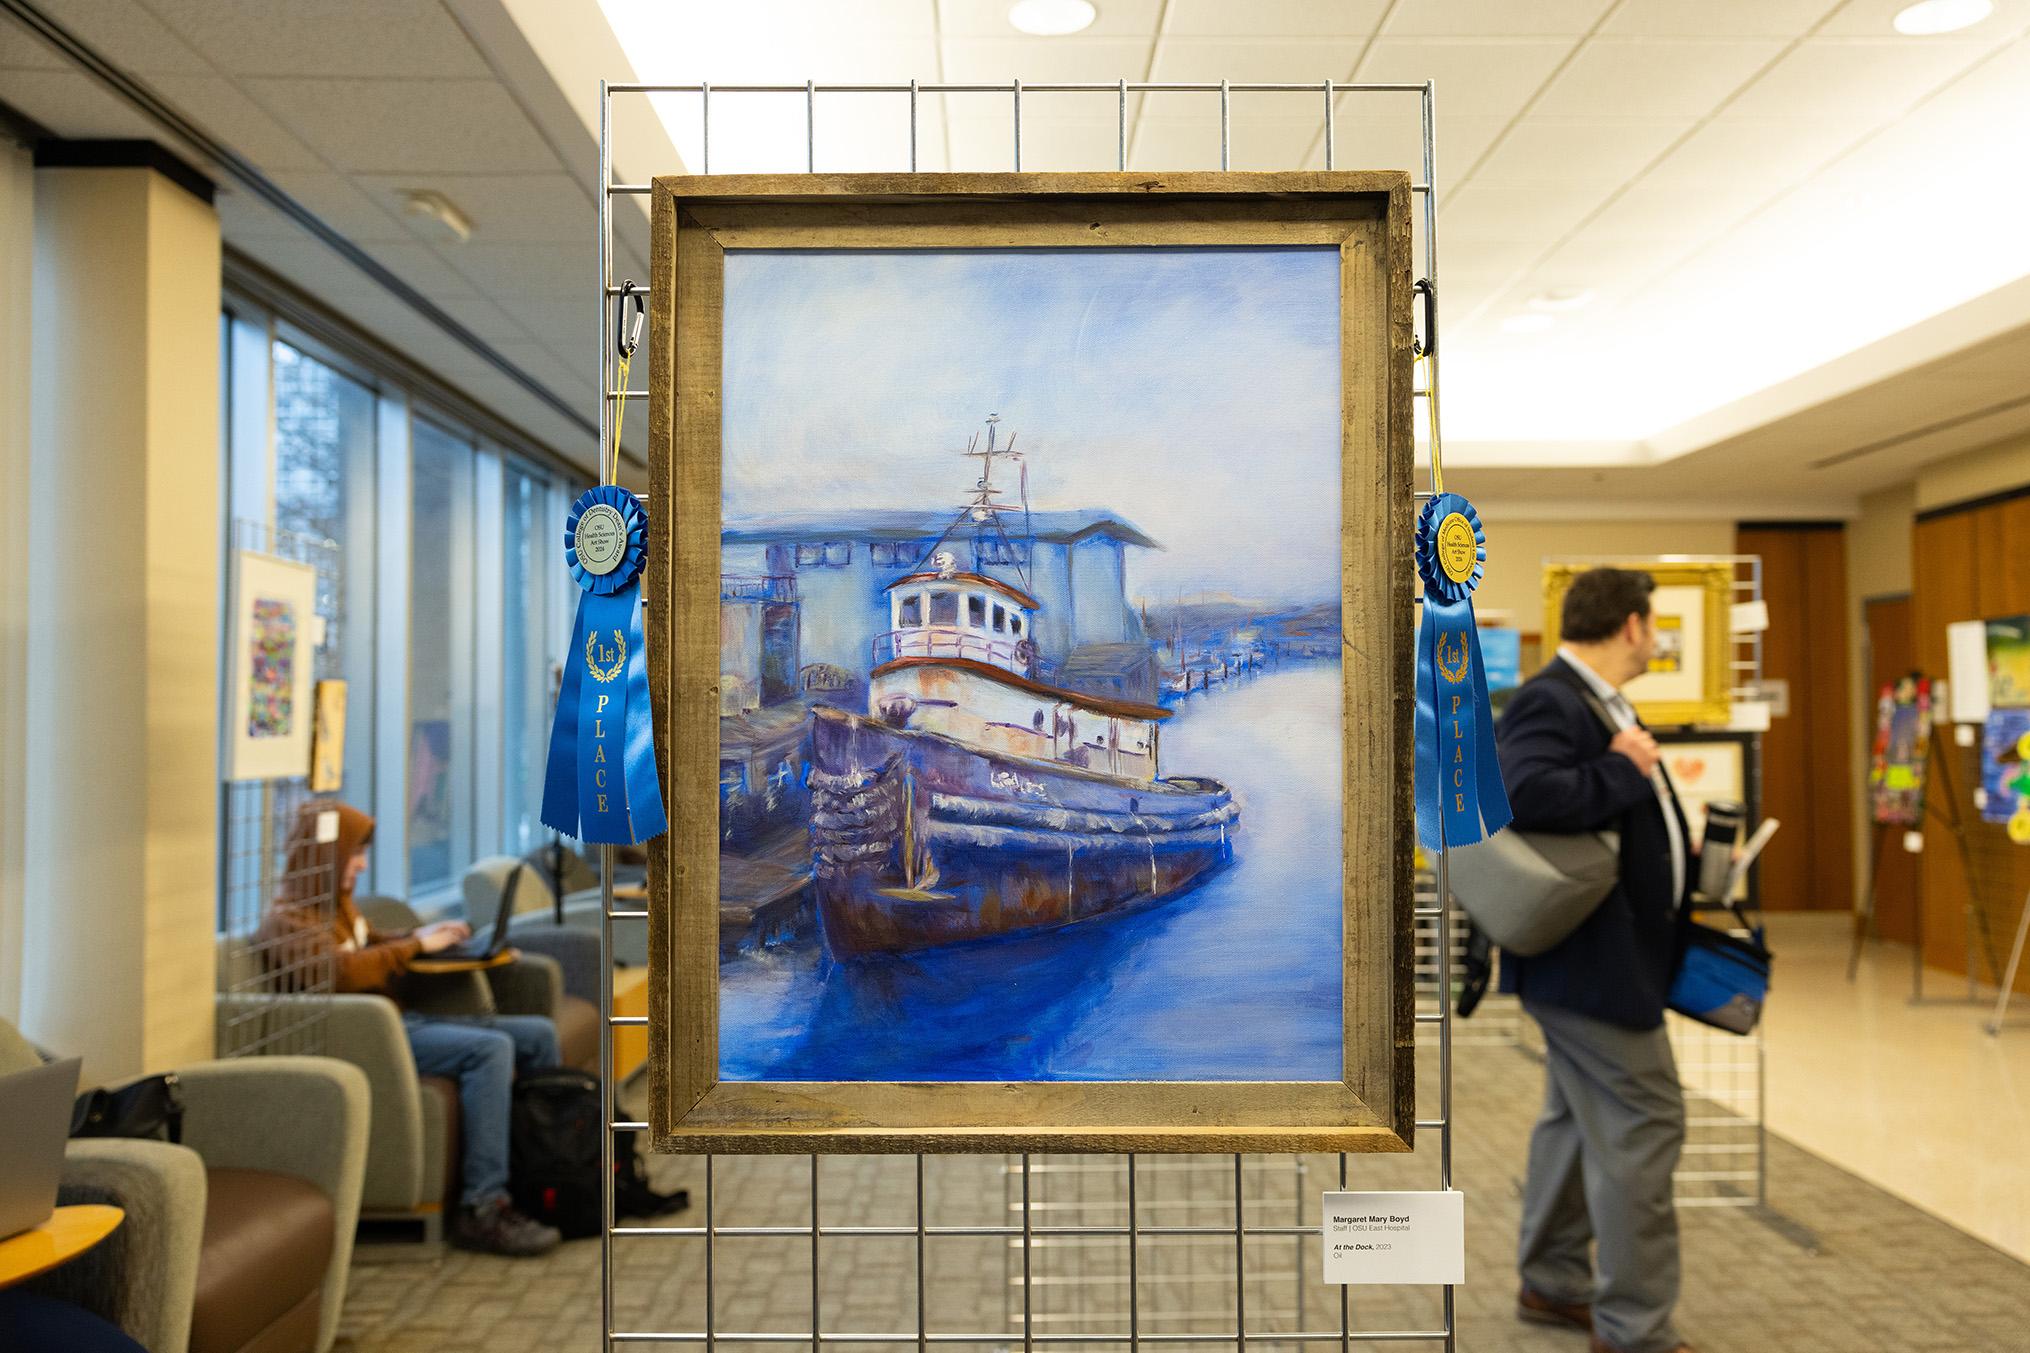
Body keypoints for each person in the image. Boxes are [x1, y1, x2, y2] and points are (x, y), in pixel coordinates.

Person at [1495, 567, 1694, 1353]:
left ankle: (1551, 1280)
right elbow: (1522, 792)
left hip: (1598, 959)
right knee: (1648, 1117)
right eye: (1654, 623)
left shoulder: (1595, 700)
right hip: (1590, 964)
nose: (1655, 637)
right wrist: (1624, 768)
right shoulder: (1553, 698)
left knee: (1577, 1119)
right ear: (1632, 624)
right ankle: (1634, 1328)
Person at [261, 802, 564, 1257]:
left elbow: (371, 943)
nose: (362, 866)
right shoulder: (288, 922)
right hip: (367, 1041)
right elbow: (341, 973)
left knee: (538, 1034)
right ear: (325, 855)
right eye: (354, 854)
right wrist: (415, 946)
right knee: (491, 1050)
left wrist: (424, 937)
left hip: (400, 1023)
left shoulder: (337, 909)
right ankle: (483, 1206)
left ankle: (543, 1177)